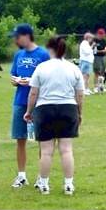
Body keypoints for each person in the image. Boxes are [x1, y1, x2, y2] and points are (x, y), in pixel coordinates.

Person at [24, 36, 85, 195]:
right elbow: (80, 95)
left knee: (46, 151)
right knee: (66, 150)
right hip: (68, 108)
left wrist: (29, 112)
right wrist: (79, 113)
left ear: (50, 49)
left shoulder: (41, 68)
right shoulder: (73, 68)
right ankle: (68, 185)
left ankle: (44, 184)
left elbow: (33, 93)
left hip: (45, 110)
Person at [8, 23, 50, 188]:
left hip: (39, 102)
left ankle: (41, 177)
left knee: (42, 140)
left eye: (17, 37)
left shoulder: (43, 55)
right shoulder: (18, 55)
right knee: (20, 139)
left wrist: (32, 81)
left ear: (26, 36)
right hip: (20, 101)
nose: (15, 40)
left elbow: (48, 79)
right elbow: (14, 75)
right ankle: (21, 176)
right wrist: (14, 80)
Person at [93, 28, 106, 92]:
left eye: (103, 34)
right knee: (97, 72)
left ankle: (101, 87)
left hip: (103, 57)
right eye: (102, 34)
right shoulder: (94, 41)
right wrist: (101, 51)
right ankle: (95, 87)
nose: (103, 36)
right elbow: (93, 50)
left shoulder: (103, 40)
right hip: (97, 58)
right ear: (98, 34)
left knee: (102, 72)